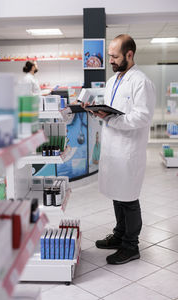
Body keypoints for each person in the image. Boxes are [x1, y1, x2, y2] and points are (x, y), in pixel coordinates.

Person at [82, 34, 156, 265]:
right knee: (117, 194)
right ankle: (119, 234)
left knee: (128, 198)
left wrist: (111, 120)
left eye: (114, 56)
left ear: (129, 55)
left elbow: (142, 117)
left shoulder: (141, 82)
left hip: (129, 150)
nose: (110, 61)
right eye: (110, 56)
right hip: (112, 148)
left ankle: (131, 246)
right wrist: (96, 111)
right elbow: (111, 110)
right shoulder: (113, 80)